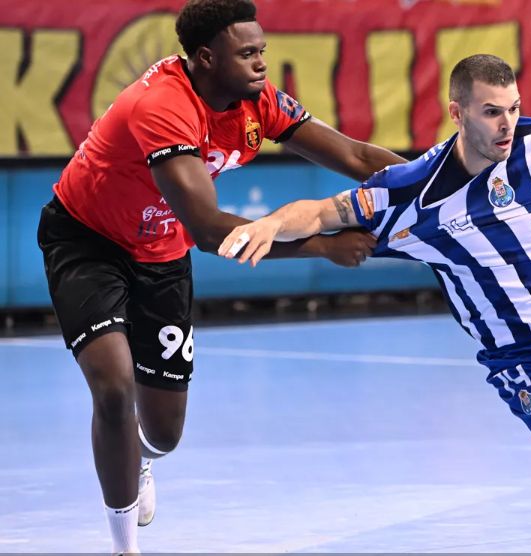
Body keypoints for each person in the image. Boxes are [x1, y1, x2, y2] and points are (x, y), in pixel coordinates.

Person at [219, 54, 531, 554]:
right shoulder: (414, 191)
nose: (507, 124)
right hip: (530, 359)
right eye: (492, 112)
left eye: (514, 108)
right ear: (457, 113)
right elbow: (322, 212)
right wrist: (271, 224)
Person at [36, 0, 405, 553]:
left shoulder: (260, 101)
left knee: (163, 433)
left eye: (263, 51)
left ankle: (140, 458)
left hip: (161, 253)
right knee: (113, 386)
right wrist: (322, 245)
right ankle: (123, 546)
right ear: (206, 58)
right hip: (87, 240)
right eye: (248, 53)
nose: (261, 63)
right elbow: (209, 230)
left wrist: (439, 182)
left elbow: (355, 157)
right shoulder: (162, 105)